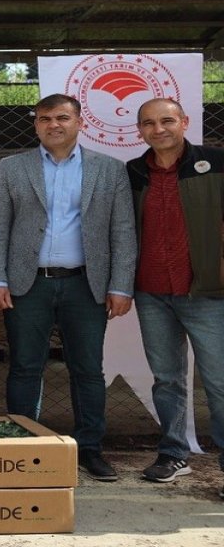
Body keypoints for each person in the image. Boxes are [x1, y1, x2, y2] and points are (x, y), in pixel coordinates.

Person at [0, 93, 136, 482]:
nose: (54, 124)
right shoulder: (11, 167)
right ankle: (22, 444)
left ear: (79, 121)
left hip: (86, 285)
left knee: (87, 370)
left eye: (62, 117)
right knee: (24, 367)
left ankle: (90, 448)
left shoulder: (109, 169)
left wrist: (121, 285)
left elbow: (122, 230)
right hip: (27, 284)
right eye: (45, 118)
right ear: (36, 125)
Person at [127, 97, 224, 492]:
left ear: (184, 122)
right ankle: (173, 453)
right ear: (140, 131)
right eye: (149, 123)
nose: (159, 129)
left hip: (207, 291)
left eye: (167, 120)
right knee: (166, 378)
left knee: (219, 381)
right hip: (152, 292)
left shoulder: (216, 162)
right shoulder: (133, 172)